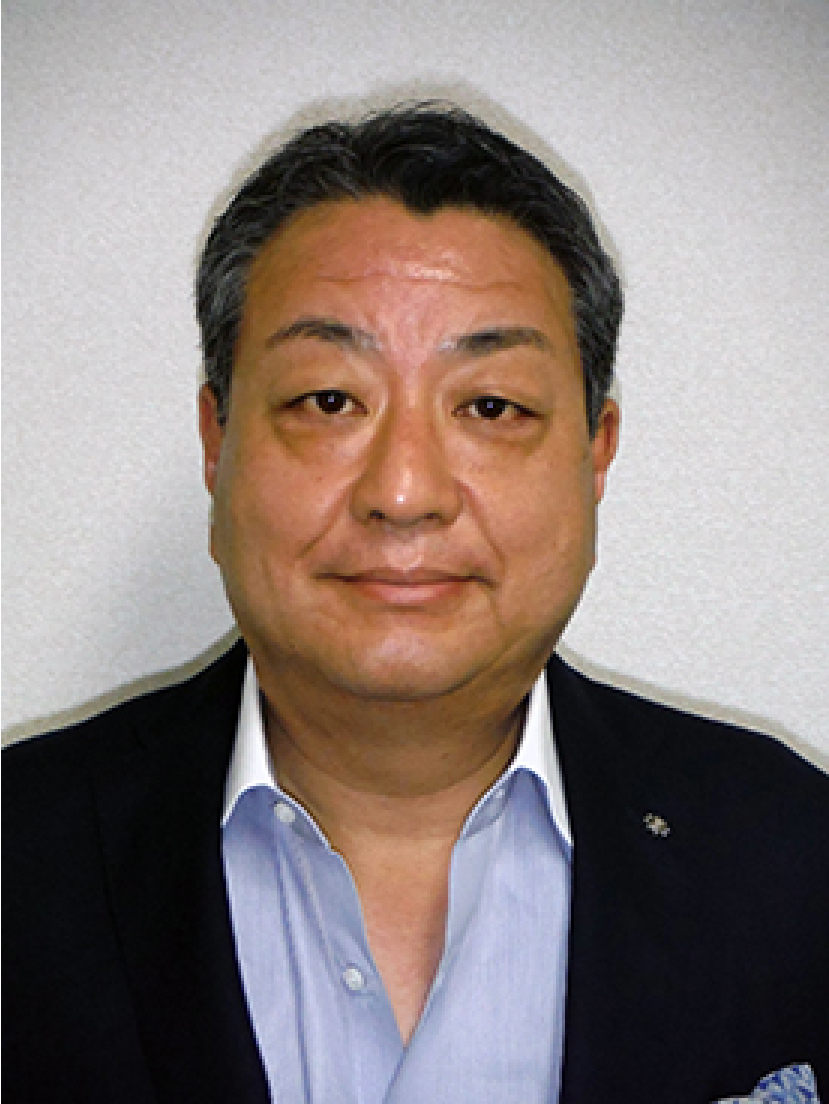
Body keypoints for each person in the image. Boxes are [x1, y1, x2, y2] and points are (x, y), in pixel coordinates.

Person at [3, 103, 827, 1104]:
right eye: (328, 401)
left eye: (490, 406)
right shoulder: (19, 863)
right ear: (217, 443)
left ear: (594, 453)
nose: (403, 493)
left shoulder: (794, 856)